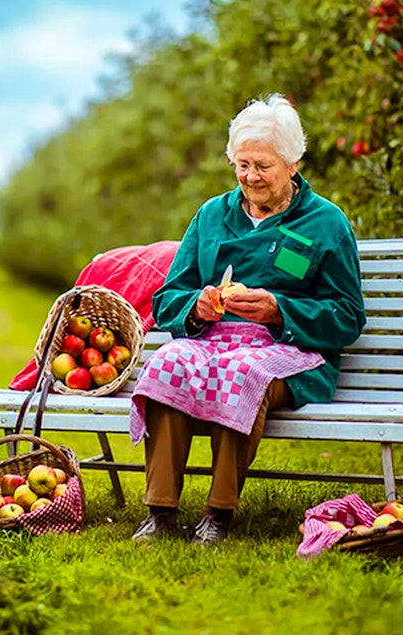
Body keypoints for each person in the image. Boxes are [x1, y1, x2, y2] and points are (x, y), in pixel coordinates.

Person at [128, 94, 367, 546]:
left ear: (292, 163)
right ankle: (160, 512)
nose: (250, 177)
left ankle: (219, 514)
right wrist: (195, 308)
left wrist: (281, 310)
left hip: (289, 352)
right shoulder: (212, 215)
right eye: (242, 165)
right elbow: (167, 299)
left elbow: (348, 315)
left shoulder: (325, 223)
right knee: (168, 360)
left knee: (244, 372)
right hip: (210, 341)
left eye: (263, 166)